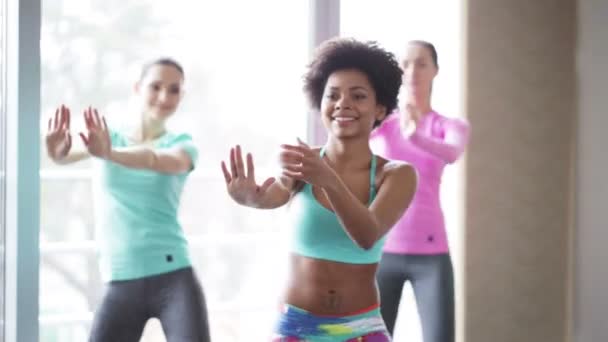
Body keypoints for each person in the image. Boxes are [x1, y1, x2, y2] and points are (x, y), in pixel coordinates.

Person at [221, 38, 417, 341]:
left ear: (379, 109)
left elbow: (366, 235)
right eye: (333, 95)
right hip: (295, 327)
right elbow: (271, 196)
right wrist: (250, 198)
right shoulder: (304, 164)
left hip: (361, 329)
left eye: (358, 96)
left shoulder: (397, 175)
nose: (343, 104)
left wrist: (327, 178)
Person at [45, 58, 211, 342]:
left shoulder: (183, 145)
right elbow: (65, 155)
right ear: (137, 88)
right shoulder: (108, 137)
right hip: (120, 277)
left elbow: (156, 159)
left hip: (174, 276)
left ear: (181, 96)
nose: (164, 97)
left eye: (174, 90)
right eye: (155, 86)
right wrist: (56, 152)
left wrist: (110, 154)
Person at [371, 40, 471, 342]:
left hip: (431, 254)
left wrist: (416, 136)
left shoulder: (449, 125)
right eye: (406, 63)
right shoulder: (384, 125)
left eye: (422, 63)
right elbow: (346, 138)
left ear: (435, 70)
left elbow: (452, 152)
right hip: (382, 250)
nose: (413, 70)